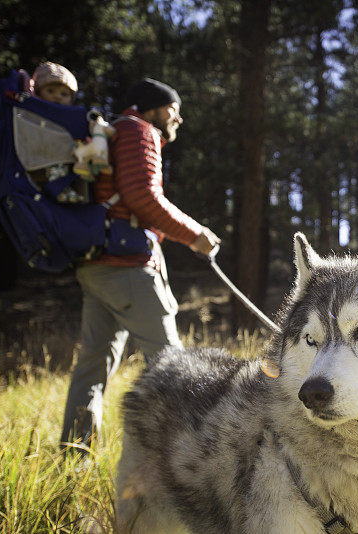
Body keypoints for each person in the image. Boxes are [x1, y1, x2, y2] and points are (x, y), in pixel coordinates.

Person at [60, 78, 220, 451]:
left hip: (97, 265)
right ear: (152, 109)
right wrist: (195, 234)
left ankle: (72, 458)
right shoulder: (138, 130)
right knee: (173, 367)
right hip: (128, 266)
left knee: (91, 368)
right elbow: (141, 195)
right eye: (172, 108)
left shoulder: (117, 133)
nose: (178, 117)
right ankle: (192, 467)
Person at [29, 61, 86, 202]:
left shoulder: (71, 119)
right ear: (37, 92)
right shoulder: (32, 113)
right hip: (39, 160)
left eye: (64, 94)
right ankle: (58, 189)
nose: (57, 97)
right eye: (50, 91)